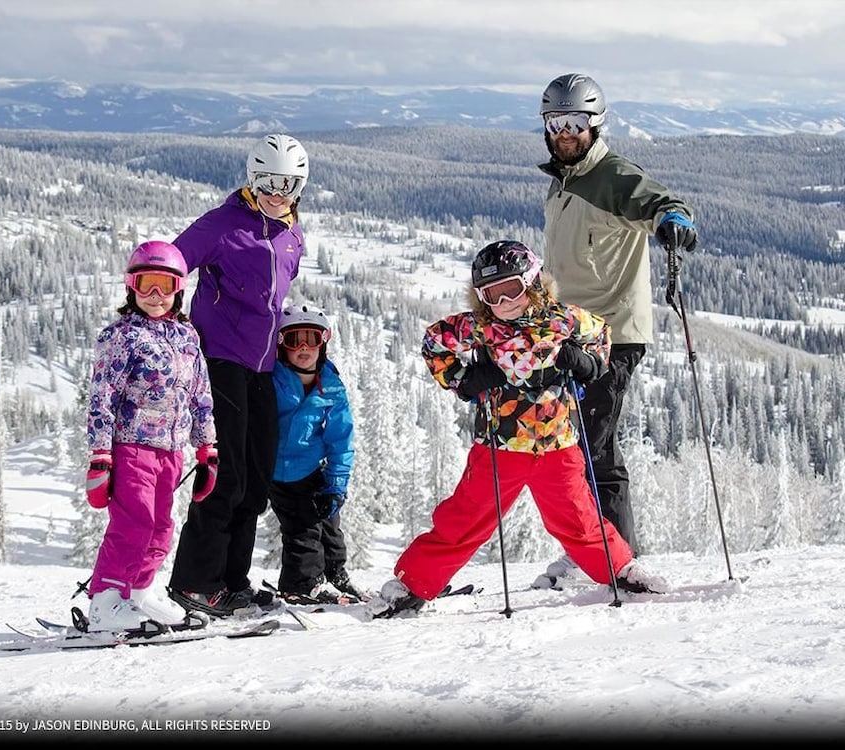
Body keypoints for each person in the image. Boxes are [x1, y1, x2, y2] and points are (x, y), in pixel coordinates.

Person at [372, 240, 667, 617]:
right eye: (491, 295)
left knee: (579, 519)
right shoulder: (481, 326)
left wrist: (587, 364)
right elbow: (434, 343)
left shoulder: (563, 319)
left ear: (532, 281)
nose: (504, 302)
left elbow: (601, 337)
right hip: (500, 448)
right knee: (465, 519)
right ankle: (412, 583)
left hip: (558, 447)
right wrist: (466, 380)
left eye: (511, 289)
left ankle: (620, 569)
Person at [533, 72, 699, 587]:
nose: (565, 132)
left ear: (595, 123)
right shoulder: (565, 180)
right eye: (555, 122)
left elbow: (661, 203)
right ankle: (591, 551)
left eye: (575, 122)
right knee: (573, 444)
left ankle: (614, 558)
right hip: (570, 333)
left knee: (595, 446)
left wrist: (674, 221)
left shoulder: (612, 176)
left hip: (611, 334)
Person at [165, 134, 310, 617]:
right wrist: (165, 321)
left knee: (254, 479)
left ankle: (231, 583)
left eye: (287, 184)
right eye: (267, 182)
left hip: (262, 368)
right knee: (224, 475)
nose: (276, 192)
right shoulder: (223, 224)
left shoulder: (292, 235)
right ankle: (194, 583)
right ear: (252, 179)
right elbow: (171, 263)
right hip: (220, 361)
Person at [85, 240, 217, 632]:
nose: (156, 295)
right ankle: (105, 603)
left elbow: (200, 396)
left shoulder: (186, 338)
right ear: (132, 287)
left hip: (171, 451)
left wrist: (207, 448)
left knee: (161, 528)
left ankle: (140, 593)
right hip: (131, 447)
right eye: (146, 284)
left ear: (179, 289)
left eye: (165, 285)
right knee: (133, 524)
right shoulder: (121, 336)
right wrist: (100, 456)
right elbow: (102, 397)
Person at [268, 304, 364, 603]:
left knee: (329, 523)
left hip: (311, 467)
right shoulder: (273, 378)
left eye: (312, 338)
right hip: (276, 469)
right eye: (294, 340)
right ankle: (300, 584)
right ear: (281, 345)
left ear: (324, 342)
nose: (303, 348)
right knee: (303, 527)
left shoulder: (330, 385)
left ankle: (335, 575)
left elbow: (341, 437)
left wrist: (336, 485)